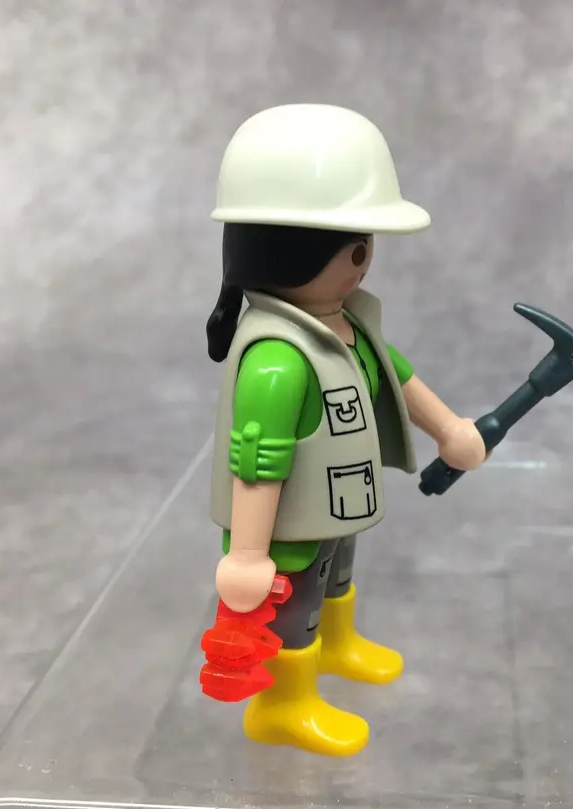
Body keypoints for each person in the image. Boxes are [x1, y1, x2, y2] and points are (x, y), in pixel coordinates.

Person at [204, 104, 487, 757]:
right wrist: (247, 555)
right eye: (355, 245)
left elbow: (395, 374)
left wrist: (448, 428)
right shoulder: (276, 359)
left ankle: (337, 644)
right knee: (293, 603)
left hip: (339, 500)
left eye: (366, 244)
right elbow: (258, 460)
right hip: (289, 528)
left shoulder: (347, 323)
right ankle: (282, 704)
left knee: (337, 575)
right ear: (292, 250)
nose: (365, 260)